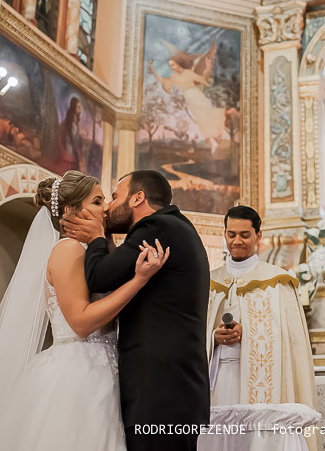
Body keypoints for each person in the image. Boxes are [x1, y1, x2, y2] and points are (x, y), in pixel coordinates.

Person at [0, 171, 168, 450]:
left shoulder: (93, 251)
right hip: (78, 373)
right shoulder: (68, 250)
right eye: (98, 202)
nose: (108, 208)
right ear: (72, 211)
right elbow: (81, 322)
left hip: (105, 367)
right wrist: (139, 280)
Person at [62, 169, 210, 451]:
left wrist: (95, 237)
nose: (107, 207)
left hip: (160, 391)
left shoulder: (156, 227)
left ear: (137, 198)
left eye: (114, 197)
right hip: (172, 389)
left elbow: (101, 277)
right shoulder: (175, 227)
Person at [206, 206, 315, 409]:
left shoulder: (278, 282)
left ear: (258, 236)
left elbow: (290, 343)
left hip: (262, 382)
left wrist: (246, 333)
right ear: (224, 235)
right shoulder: (208, 282)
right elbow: (192, 334)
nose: (237, 241)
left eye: (244, 235)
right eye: (231, 234)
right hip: (217, 380)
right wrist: (213, 338)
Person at [148, 42, 226, 152]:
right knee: (200, 120)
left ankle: (216, 138)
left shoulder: (189, 73)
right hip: (190, 98)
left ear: (178, 63)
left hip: (197, 96)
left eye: (173, 65)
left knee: (205, 117)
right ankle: (213, 141)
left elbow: (203, 79)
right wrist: (152, 69)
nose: (172, 68)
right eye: (170, 66)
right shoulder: (174, 77)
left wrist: (208, 67)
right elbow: (164, 81)